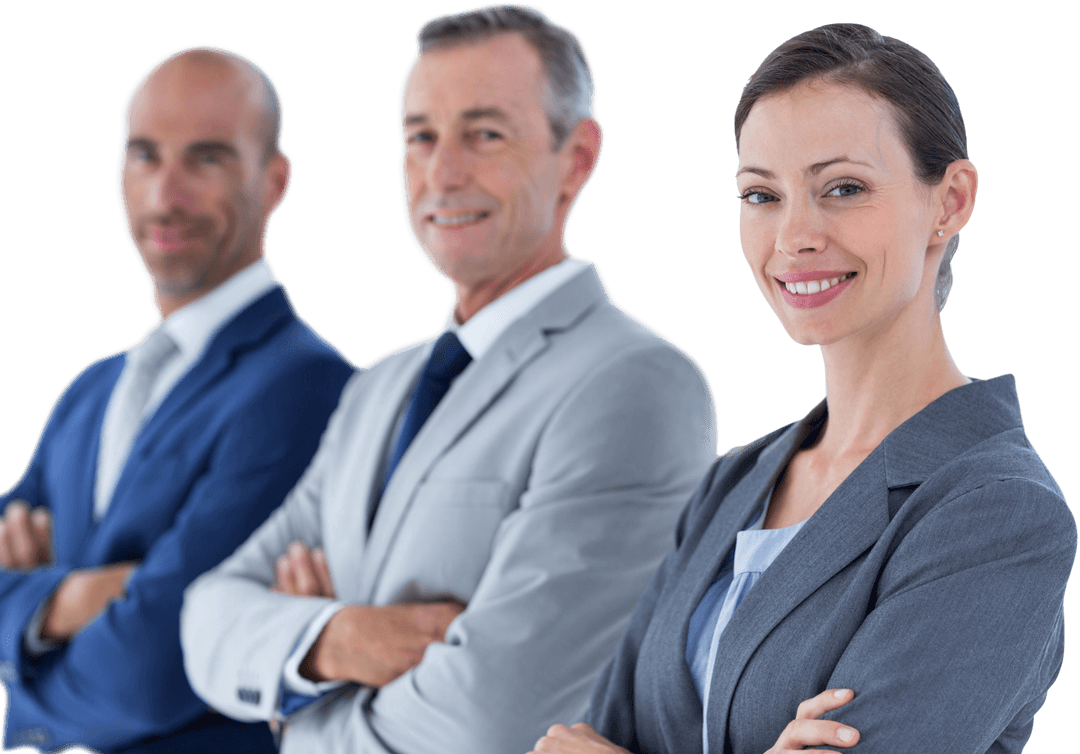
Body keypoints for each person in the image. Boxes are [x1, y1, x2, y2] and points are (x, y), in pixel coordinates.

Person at [179, 4, 718, 753]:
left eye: (484, 134)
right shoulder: (376, 388)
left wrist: (296, 711)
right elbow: (205, 615)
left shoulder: (636, 383)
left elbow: (492, 723)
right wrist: (331, 637)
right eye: (420, 137)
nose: (442, 172)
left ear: (577, 157)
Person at [532, 23, 1077, 754]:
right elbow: (594, 731)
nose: (794, 235)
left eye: (843, 188)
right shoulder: (735, 482)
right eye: (761, 195)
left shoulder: (997, 513)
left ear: (949, 202)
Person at [0, 46, 356, 753]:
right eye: (144, 155)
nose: (166, 194)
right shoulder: (89, 392)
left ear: (275, 180)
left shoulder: (307, 387)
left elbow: (155, 670)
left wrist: (25, 631)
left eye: (207, 158)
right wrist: (70, 599)